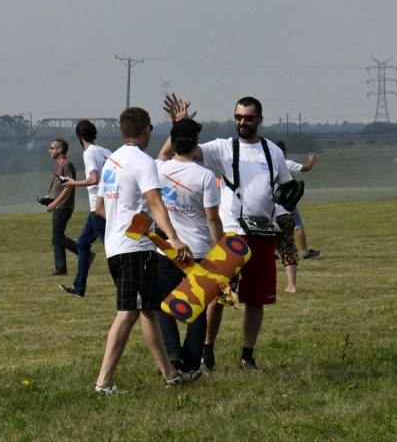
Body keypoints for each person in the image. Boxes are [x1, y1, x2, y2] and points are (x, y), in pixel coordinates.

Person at [162, 94, 293, 372]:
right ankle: (206, 353)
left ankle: (247, 355)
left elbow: (286, 189)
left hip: (263, 235)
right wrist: (181, 124)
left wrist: (287, 213)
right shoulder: (223, 147)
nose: (242, 122)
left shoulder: (273, 152)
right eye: (238, 117)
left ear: (259, 119)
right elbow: (187, 149)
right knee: (216, 295)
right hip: (229, 237)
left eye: (247, 118)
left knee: (256, 299)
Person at [93, 107, 201, 394]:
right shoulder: (142, 161)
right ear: (146, 130)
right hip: (135, 250)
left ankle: (171, 374)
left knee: (149, 311)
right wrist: (174, 238)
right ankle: (104, 382)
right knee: (128, 312)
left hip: (115, 247)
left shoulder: (111, 161)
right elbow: (155, 203)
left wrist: (126, 220)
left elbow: (100, 208)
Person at [155, 118, 223, 373]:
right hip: (199, 251)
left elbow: (162, 153)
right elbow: (212, 218)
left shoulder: (158, 169)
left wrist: (176, 124)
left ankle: (172, 353)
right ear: (196, 144)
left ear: (173, 142)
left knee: (163, 305)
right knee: (198, 308)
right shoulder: (205, 176)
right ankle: (193, 363)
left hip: (167, 249)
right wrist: (220, 252)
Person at [59, 120, 112, 297]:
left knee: (113, 249)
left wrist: (74, 183)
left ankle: (127, 288)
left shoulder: (89, 153)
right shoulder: (105, 152)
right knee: (82, 243)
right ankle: (79, 287)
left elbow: (93, 179)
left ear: (79, 137)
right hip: (107, 204)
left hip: (98, 207)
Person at [274, 140, 320, 294]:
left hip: (269, 208)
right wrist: (312, 160)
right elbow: (305, 168)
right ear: (284, 151)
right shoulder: (285, 163)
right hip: (285, 206)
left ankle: (272, 253)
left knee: (270, 236)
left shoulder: (267, 163)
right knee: (296, 228)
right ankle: (305, 251)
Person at [46, 138, 77, 276]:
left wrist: (56, 203)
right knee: (56, 236)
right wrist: (51, 200)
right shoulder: (60, 165)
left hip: (64, 206)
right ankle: (61, 268)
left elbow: (69, 186)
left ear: (60, 149)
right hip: (60, 205)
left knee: (57, 236)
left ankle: (84, 253)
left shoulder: (66, 164)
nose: (49, 150)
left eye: (52, 148)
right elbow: (63, 187)